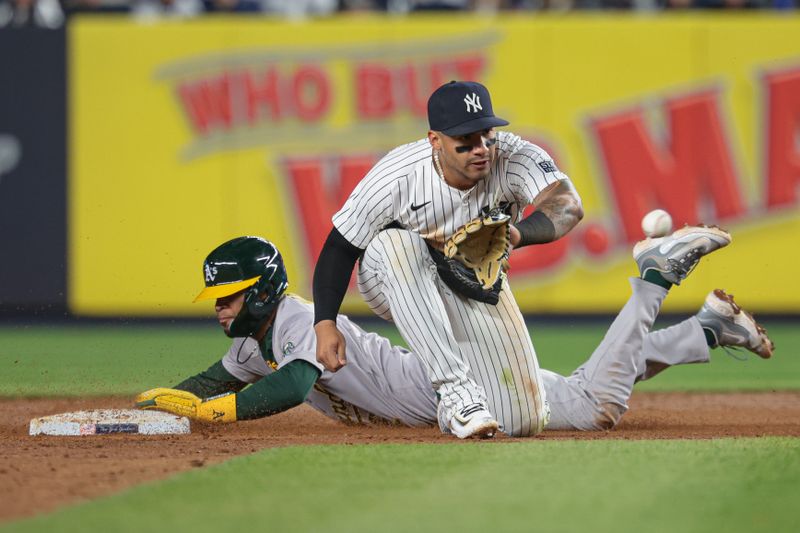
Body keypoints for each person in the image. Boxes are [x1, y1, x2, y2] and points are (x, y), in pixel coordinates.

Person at [136, 229, 775, 434]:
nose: (220, 308)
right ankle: (704, 333)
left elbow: (288, 387)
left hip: (453, 386)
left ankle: (654, 278)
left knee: (595, 406)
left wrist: (218, 413)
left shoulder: (301, 319)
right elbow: (214, 379)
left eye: (230, 296)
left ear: (263, 291)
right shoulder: (255, 341)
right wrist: (159, 404)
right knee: (580, 389)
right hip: (438, 385)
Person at [311, 80, 584, 439]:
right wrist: (325, 322)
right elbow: (340, 247)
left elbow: (568, 205)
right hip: (392, 276)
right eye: (465, 141)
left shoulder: (515, 156)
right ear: (435, 140)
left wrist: (516, 235)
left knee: (523, 422)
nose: (481, 149)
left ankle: (453, 401)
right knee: (398, 245)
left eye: (486, 135)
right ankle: (456, 392)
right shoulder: (399, 175)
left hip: (470, 280)